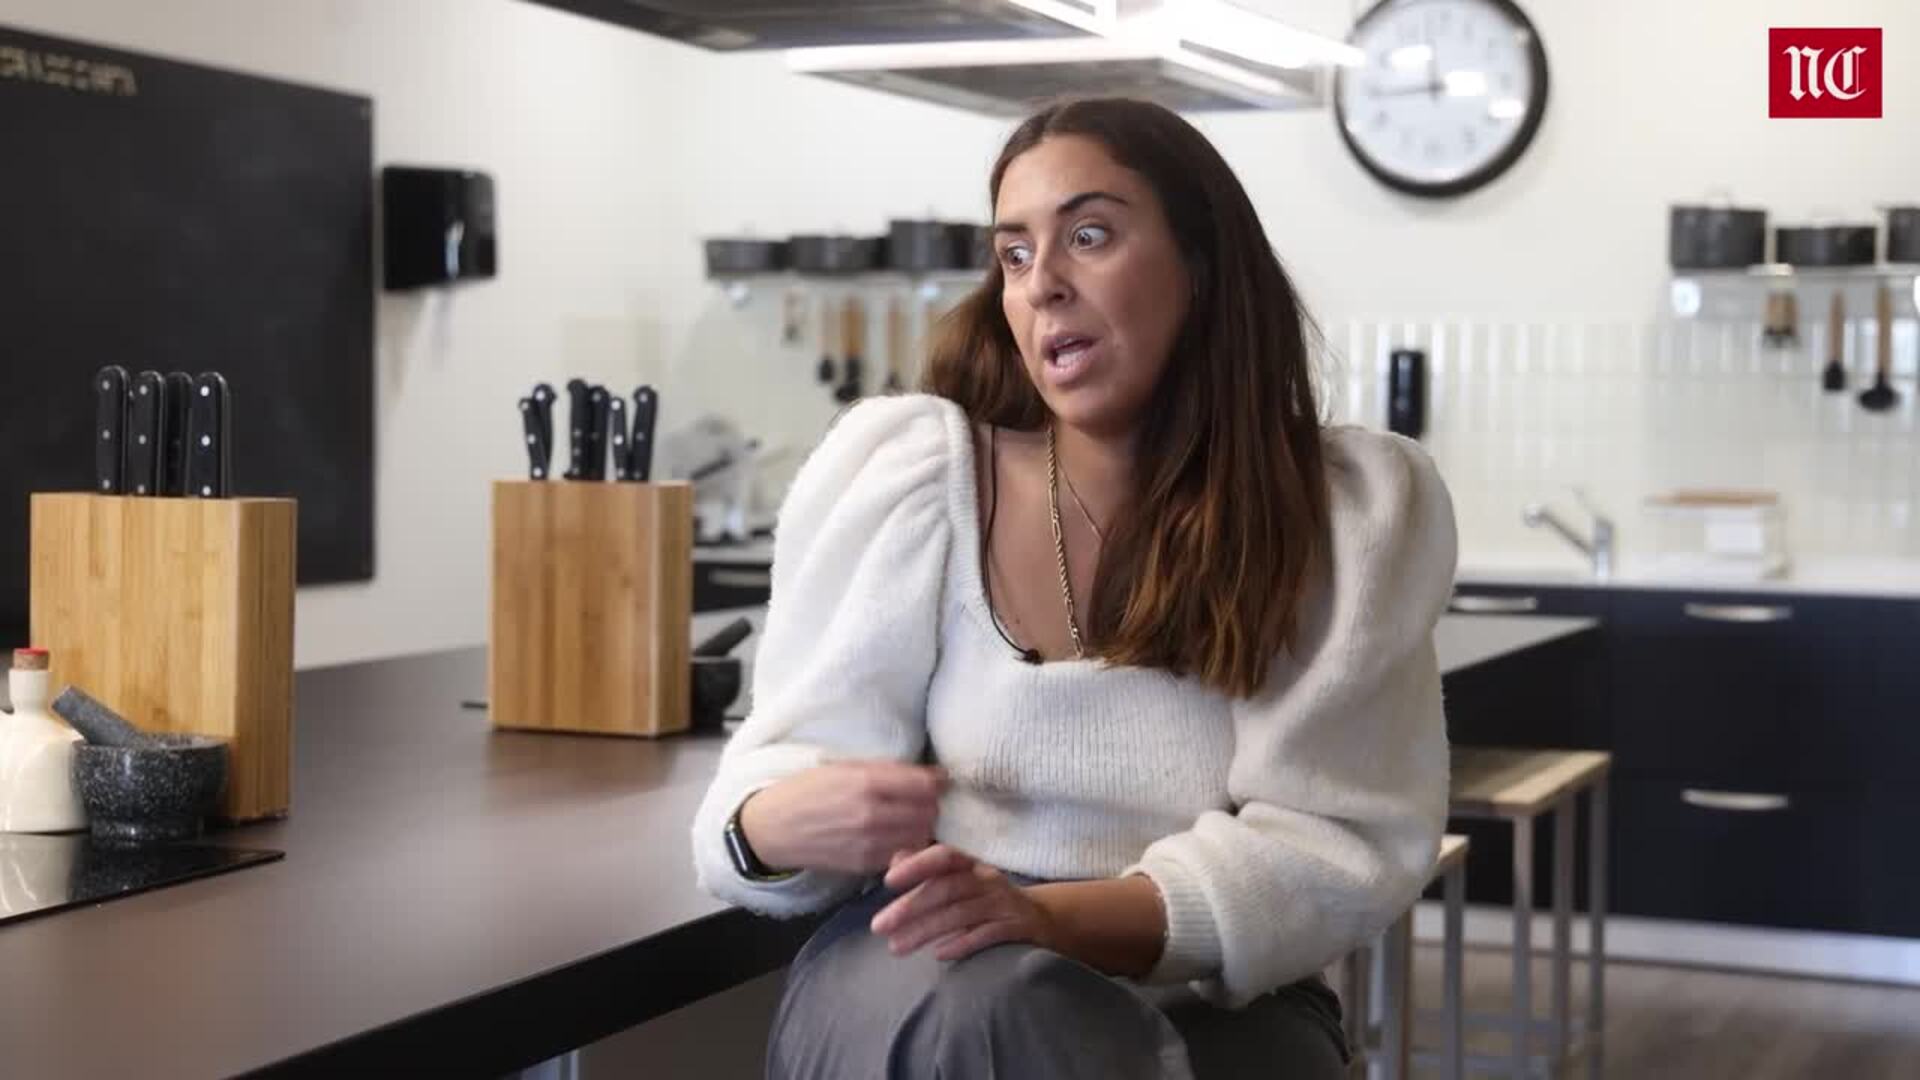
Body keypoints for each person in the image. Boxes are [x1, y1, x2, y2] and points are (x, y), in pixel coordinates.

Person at [690, 96, 1458, 1079]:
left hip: (1213, 984)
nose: (1042, 283)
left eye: (1088, 236)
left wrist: (1054, 918)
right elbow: (763, 793)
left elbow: (1335, 848)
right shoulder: (915, 481)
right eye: (1014, 255)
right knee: (998, 1014)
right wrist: (767, 827)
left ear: (1202, 266)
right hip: (935, 960)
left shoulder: (1341, 515)